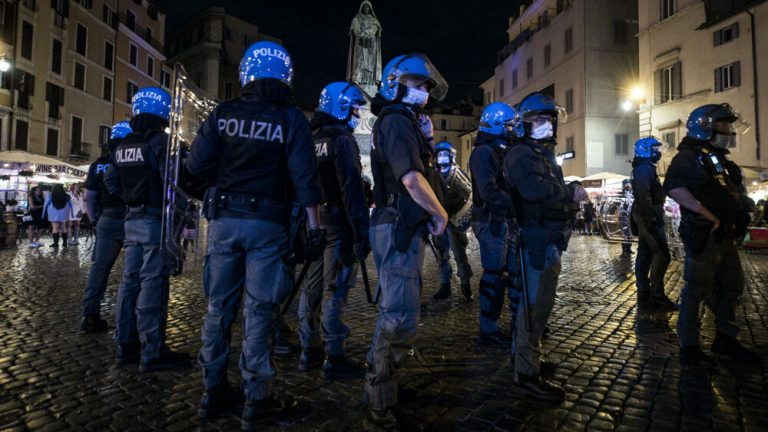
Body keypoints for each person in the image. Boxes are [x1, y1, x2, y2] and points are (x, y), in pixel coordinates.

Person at [184, 41, 324, 428]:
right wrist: (315, 227)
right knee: (260, 309)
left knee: (217, 308)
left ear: (246, 74)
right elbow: (304, 178)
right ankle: (256, 397)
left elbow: (195, 166)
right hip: (269, 223)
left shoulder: (223, 113)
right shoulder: (291, 118)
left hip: (225, 221)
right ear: (286, 76)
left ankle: (212, 391)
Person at [364, 53, 449, 428]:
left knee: (403, 313)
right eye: (417, 84)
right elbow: (412, 180)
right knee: (398, 315)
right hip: (397, 223)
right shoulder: (397, 122)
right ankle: (379, 401)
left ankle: (387, 386)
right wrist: (440, 214)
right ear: (395, 84)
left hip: (402, 224)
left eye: (427, 86)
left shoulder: (407, 123)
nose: (424, 93)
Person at [504, 92, 586, 403]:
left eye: (550, 120)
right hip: (536, 237)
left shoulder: (539, 154)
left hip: (548, 236)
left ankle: (525, 360)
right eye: (539, 120)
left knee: (539, 304)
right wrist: (569, 192)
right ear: (525, 125)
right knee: (535, 307)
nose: (548, 126)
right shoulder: (523, 154)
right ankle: (526, 373)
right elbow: (535, 190)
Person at [663, 103, 757, 366]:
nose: (729, 129)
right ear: (705, 127)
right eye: (724, 124)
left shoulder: (718, 157)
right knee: (696, 289)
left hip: (725, 235)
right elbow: (674, 187)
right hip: (705, 234)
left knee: (732, 285)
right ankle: (689, 345)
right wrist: (706, 213)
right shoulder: (689, 156)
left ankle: (725, 338)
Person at [104, 87, 190, 372]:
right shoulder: (162, 143)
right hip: (155, 220)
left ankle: (125, 345)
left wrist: (130, 197)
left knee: (129, 283)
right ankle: (152, 351)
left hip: (131, 219)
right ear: (164, 112)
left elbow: (111, 181)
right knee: (153, 282)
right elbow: (173, 184)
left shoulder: (123, 145)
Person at [296, 81, 370, 380]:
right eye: (354, 109)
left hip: (314, 223)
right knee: (334, 290)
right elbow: (351, 189)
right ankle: (334, 354)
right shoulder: (342, 141)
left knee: (311, 286)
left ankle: (308, 347)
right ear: (341, 107)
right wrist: (361, 233)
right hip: (339, 225)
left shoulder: (310, 139)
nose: (357, 116)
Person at [469, 102, 519, 345]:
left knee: (508, 274)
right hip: (491, 219)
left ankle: (510, 324)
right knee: (494, 275)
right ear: (498, 125)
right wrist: (515, 203)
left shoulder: (497, 150)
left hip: (502, 218)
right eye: (509, 125)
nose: (513, 130)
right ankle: (488, 328)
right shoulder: (483, 152)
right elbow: (488, 190)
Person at [80, 121, 131, 333]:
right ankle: (128, 321)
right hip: (132, 219)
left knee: (99, 269)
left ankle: (90, 315)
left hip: (106, 220)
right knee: (133, 272)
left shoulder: (98, 165)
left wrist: (94, 220)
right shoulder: (132, 159)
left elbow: (88, 198)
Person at [630, 137, 675, 312]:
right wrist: (650, 215)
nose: (658, 151)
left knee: (645, 253)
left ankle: (644, 292)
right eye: (655, 148)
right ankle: (656, 295)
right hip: (648, 213)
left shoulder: (645, 167)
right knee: (662, 254)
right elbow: (643, 193)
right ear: (646, 150)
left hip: (647, 212)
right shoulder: (643, 169)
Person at [431, 141, 473, 301]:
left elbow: (467, 194)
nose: (442, 157)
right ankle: (445, 285)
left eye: (444, 154)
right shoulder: (433, 175)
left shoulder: (459, 173)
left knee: (460, 255)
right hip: (439, 221)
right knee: (441, 256)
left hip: (455, 221)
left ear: (451, 156)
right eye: (439, 154)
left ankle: (465, 283)